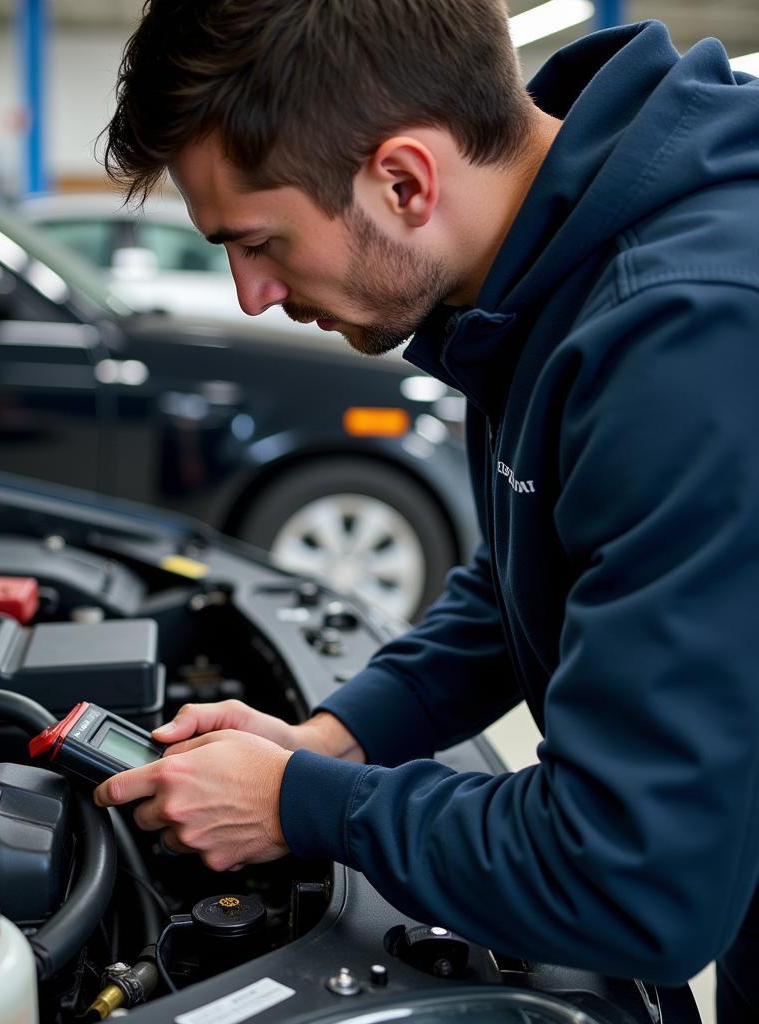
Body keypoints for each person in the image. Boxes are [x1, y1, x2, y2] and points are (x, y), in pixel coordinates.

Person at [91, 1, 759, 1018]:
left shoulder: (685, 338)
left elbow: (633, 877)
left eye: (259, 242)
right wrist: (331, 740)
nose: (249, 296)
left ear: (404, 180)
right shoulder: (554, 272)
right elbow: (537, 574)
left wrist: (302, 806)